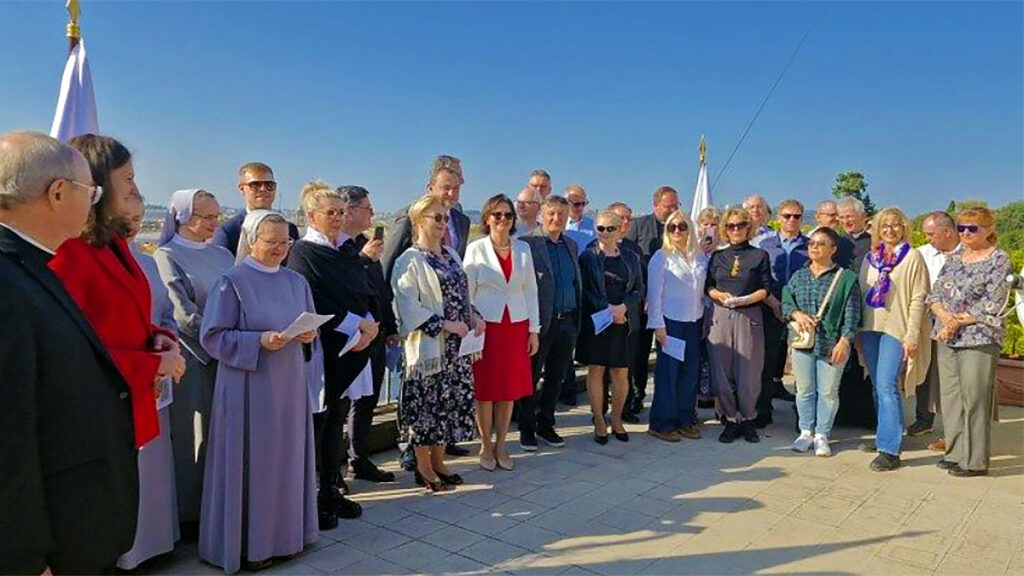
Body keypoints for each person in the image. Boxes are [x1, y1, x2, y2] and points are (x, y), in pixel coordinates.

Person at [0, 130, 138, 574]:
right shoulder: (8, 284)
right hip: (53, 545)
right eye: (90, 191)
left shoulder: (33, 265)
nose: (94, 202)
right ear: (58, 193)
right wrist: (22, 558)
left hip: (75, 524)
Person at [199, 211, 321, 573]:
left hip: (289, 387)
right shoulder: (231, 282)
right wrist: (259, 341)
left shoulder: (296, 282)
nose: (280, 249)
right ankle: (253, 545)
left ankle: (288, 537)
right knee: (257, 464)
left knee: (286, 461)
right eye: (272, 242)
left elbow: (309, 324)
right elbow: (213, 337)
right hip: (249, 388)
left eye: (285, 242)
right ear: (252, 241)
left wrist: (307, 336)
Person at [49, 134, 187, 451]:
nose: (134, 189)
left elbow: (127, 315)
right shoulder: (67, 251)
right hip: (91, 421)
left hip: (126, 413)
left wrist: (158, 338)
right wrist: (152, 365)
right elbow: (69, 351)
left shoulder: (113, 243)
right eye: (127, 178)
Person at [286, 181, 377, 525]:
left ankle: (330, 489)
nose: (338, 218)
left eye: (341, 212)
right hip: (323, 347)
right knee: (318, 422)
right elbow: (314, 299)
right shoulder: (304, 253)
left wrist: (369, 321)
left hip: (354, 344)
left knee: (337, 418)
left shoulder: (348, 250)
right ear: (312, 216)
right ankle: (312, 497)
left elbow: (362, 290)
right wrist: (356, 323)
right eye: (331, 213)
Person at [153, 188, 235, 534]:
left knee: (223, 433)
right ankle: (190, 515)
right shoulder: (166, 255)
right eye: (206, 217)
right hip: (193, 356)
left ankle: (221, 504)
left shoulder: (223, 255)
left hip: (228, 355)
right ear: (183, 218)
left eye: (217, 216)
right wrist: (224, 341)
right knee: (190, 436)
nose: (214, 224)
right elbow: (182, 313)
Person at [382, 157, 474, 459]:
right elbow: (391, 274)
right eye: (446, 187)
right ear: (430, 187)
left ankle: (440, 449)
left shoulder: (458, 223)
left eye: (456, 188)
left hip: (454, 341)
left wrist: (471, 315)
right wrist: (389, 323)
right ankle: (413, 452)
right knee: (418, 395)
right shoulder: (407, 222)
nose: (451, 194)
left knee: (445, 397)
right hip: (423, 337)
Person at [391, 194, 484, 491]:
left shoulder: (452, 255)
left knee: (448, 406)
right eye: (437, 218)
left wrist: (474, 316)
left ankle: (440, 461)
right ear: (419, 221)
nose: (444, 224)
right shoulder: (410, 260)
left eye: (445, 218)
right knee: (426, 409)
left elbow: (463, 295)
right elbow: (406, 304)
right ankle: (423, 466)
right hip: (430, 348)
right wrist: (444, 325)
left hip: (458, 347)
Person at [928, 208, 1011, 477]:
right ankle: (954, 452)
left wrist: (956, 321)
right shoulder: (954, 259)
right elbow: (936, 293)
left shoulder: (999, 260)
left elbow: (993, 303)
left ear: (988, 229)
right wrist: (943, 316)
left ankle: (975, 460)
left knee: (974, 399)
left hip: (978, 338)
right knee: (950, 398)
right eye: (961, 227)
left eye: (972, 228)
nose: (965, 233)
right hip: (947, 336)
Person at [121, 194, 180, 570]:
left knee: (157, 465)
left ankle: (158, 541)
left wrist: (168, 341)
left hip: (158, 375)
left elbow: (166, 314)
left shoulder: (146, 262)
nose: (136, 221)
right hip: (129, 376)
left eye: (140, 215)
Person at [464, 194, 540, 470]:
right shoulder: (476, 249)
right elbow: (466, 292)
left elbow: (530, 290)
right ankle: (485, 444)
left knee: (507, 389)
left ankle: (502, 444)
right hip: (487, 326)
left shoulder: (523, 250)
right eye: (497, 215)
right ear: (487, 218)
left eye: (508, 215)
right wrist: (471, 322)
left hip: (515, 326)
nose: (503, 220)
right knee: (485, 390)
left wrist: (534, 330)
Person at [858, 207, 932, 472]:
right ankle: (888, 436)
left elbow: (918, 299)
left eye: (895, 225)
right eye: (884, 225)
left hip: (896, 329)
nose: (890, 230)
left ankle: (889, 451)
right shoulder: (871, 258)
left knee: (887, 385)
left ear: (904, 227)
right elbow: (862, 292)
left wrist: (911, 334)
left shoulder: (912, 258)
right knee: (878, 387)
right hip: (870, 328)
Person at [336, 185, 399, 483]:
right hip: (346, 337)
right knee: (338, 407)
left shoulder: (367, 244)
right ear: (350, 210)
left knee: (368, 400)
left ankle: (359, 459)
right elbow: (344, 288)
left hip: (375, 334)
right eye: (368, 209)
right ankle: (331, 472)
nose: (372, 214)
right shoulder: (337, 248)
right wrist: (363, 258)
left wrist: (391, 329)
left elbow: (380, 292)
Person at [783, 227, 862, 457]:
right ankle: (806, 430)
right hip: (803, 342)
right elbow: (786, 303)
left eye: (820, 244)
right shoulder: (799, 275)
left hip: (831, 343)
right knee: (804, 389)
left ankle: (822, 434)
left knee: (828, 391)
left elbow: (852, 312)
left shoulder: (845, 278)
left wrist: (845, 341)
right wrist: (796, 314)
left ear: (833, 249)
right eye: (811, 244)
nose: (814, 247)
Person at [518, 195, 582, 450]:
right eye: (552, 214)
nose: (557, 219)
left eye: (562, 215)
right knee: (530, 378)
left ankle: (546, 424)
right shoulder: (528, 244)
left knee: (556, 378)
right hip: (541, 324)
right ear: (542, 214)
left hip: (567, 322)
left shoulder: (571, 245)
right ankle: (526, 428)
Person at [705, 207, 772, 444]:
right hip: (721, 315)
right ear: (725, 228)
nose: (736, 230)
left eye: (741, 225)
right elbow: (708, 285)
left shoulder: (759, 255)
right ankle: (731, 418)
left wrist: (745, 299)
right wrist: (717, 295)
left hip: (749, 315)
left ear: (748, 227)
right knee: (722, 371)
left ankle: (748, 419)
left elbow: (766, 287)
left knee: (750, 372)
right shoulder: (718, 256)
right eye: (731, 226)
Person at [578, 210, 644, 444]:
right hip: (598, 321)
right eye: (600, 228)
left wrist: (623, 307)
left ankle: (616, 418)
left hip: (623, 323)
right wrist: (608, 309)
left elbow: (639, 289)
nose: (605, 233)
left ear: (620, 230)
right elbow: (584, 290)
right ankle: (598, 419)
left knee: (621, 372)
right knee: (596, 370)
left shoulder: (631, 257)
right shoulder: (587, 256)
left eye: (610, 228)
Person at [645, 210, 707, 442]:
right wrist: (658, 326)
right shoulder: (661, 257)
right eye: (672, 227)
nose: (678, 231)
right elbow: (654, 294)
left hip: (693, 322)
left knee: (690, 374)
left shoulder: (699, 257)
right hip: (670, 323)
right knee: (668, 375)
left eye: (682, 226)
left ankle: (685, 419)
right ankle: (662, 422)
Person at [754, 199, 808, 427]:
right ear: (778, 218)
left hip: (801, 312)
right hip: (770, 308)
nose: (791, 220)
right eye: (787, 216)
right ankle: (763, 411)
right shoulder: (765, 245)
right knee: (766, 363)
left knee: (802, 366)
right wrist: (774, 304)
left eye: (796, 216)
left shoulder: (810, 245)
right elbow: (759, 277)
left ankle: (802, 416)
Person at [907, 211, 960, 446]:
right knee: (926, 373)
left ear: (947, 232)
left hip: (960, 326)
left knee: (953, 381)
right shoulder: (922, 254)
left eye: (931, 234)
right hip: (929, 323)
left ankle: (954, 431)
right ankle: (923, 418)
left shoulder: (968, 254)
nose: (928, 238)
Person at [626, 186, 680, 414]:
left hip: (671, 302)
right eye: (669, 206)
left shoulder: (680, 228)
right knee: (638, 352)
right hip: (642, 302)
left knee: (668, 351)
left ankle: (667, 399)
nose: (673, 210)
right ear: (656, 205)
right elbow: (630, 260)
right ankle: (635, 396)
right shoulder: (639, 226)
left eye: (676, 205)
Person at [834, 195, 876, 428]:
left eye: (850, 216)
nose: (846, 221)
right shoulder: (838, 243)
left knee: (866, 363)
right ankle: (844, 413)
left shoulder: (875, 243)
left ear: (862, 216)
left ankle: (867, 414)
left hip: (870, 310)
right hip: (844, 310)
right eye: (842, 217)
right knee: (846, 364)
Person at [212, 162, 299, 256]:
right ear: (242, 189)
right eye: (255, 185)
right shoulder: (228, 232)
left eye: (269, 185)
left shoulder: (290, 230)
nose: (263, 189)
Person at [564, 184, 596, 253]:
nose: (580, 208)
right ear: (566, 202)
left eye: (583, 204)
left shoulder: (594, 226)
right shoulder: (559, 223)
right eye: (576, 204)